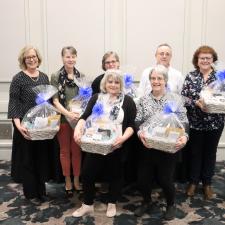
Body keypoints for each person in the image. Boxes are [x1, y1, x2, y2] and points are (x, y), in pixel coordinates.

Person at [72, 69, 136, 217]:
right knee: (87, 174)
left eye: (116, 82)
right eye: (110, 81)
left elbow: (132, 125)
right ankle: (87, 204)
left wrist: (123, 138)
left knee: (116, 175)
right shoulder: (96, 98)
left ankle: (112, 203)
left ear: (121, 84)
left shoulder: (128, 101)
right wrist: (78, 129)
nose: (113, 85)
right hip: (95, 144)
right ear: (104, 83)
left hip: (116, 145)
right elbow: (84, 116)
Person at [134, 65, 188, 220]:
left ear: (165, 80)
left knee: (165, 179)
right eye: (153, 78)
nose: (156, 81)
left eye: (159, 78)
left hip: (168, 147)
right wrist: (140, 132)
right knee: (142, 180)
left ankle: (171, 204)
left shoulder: (175, 99)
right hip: (148, 146)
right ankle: (147, 201)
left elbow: (184, 121)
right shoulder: (143, 100)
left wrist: (185, 137)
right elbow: (137, 120)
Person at [8, 45, 59, 201]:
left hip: (42, 126)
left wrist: (52, 121)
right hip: (25, 126)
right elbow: (14, 103)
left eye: (34, 56)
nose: (32, 59)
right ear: (23, 60)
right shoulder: (18, 78)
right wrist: (18, 126)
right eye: (28, 57)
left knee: (41, 158)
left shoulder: (44, 77)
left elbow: (50, 102)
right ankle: (31, 193)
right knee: (28, 159)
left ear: (38, 58)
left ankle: (41, 189)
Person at [181, 45, 224, 200]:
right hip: (195, 122)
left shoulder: (221, 77)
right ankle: (193, 182)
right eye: (202, 58)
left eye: (208, 58)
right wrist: (195, 103)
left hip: (215, 122)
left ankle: (207, 183)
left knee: (210, 153)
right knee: (195, 152)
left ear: (213, 60)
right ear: (197, 61)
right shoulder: (191, 76)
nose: (205, 60)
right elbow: (183, 97)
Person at [51, 46, 84, 196]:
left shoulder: (81, 76)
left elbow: (84, 99)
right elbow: (55, 101)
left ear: (76, 58)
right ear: (62, 58)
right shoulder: (56, 76)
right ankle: (67, 180)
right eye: (67, 57)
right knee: (64, 151)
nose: (70, 59)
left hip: (77, 120)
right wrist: (68, 114)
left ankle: (77, 179)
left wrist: (78, 115)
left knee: (77, 151)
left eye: (73, 56)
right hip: (64, 119)